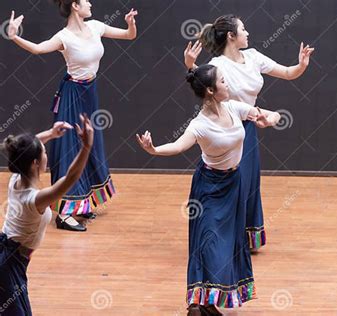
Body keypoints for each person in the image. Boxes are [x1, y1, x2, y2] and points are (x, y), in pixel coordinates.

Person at [136, 64, 280, 315]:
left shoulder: (234, 107)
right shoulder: (199, 124)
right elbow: (179, 146)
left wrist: (270, 118)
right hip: (209, 188)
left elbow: (268, 113)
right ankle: (198, 300)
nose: (228, 85)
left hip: (234, 185)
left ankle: (207, 301)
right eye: (224, 82)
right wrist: (154, 150)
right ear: (212, 90)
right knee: (208, 242)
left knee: (230, 242)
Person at [184, 14, 314, 250]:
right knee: (235, 182)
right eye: (243, 30)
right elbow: (200, 79)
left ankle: (246, 236)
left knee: (250, 181)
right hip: (226, 129)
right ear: (231, 36)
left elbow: (287, 72)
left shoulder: (253, 57)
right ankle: (225, 236)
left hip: (248, 126)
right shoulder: (218, 65)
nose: (248, 33)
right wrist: (190, 65)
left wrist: (301, 65)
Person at [7, 0, 138, 231]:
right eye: (86, 0)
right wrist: (14, 35)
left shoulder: (96, 26)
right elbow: (38, 48)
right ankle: (64, 214)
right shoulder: (63, 37)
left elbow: (129, 36)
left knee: (89, 143)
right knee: (69, 147)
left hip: (90, 91)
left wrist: (130, 24)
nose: (90, 3)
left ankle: (82, 203)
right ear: (75, 6)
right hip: (72, 94)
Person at [0, 115, 94, 315]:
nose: (46, 155)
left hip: (8, 257)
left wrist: (51, 134)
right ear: (35, 163)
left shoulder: (16, 179)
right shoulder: (35, 199)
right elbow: (71, 177)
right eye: (43, 152)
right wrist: (86, 146)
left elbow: (24, 149)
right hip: (10, 265)